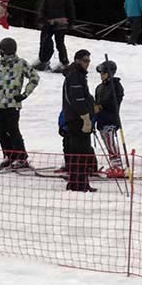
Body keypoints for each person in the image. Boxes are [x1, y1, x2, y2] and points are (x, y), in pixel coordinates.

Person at [0, 36, 40, 169]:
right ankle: (9, 155)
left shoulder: (20, 64)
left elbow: (34, 78)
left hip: (12, 104)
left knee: (13, 130)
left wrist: (24, 94)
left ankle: (21, 158)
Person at [61, 49, 96, 192]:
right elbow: (77, 99)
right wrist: (85, 117)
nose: (87, 63)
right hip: (78, 120)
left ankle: (76, 183)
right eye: (84, 60)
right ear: (77, 61)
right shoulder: (75, 76)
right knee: (81, 152)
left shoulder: (76, 74)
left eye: (88, 61)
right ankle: (79, 185)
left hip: (75, 119)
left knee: (78, 151)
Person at [33, 0, 75, 73]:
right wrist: (41, 19)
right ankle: (43, 60)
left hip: (61, 23)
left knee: (59, 42)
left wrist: (71, 22)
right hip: (49, 21)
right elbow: (43, 7)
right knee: (44, 40)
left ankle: (64, 62)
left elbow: (70, 8)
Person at [94, 59, 126, 177]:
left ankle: (118, 166)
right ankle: (114, 165)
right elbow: (97, 101)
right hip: (101, 119)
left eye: (103, 73)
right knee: (107, 141)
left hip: (110, 118)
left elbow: (115, 101)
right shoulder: (100, 87)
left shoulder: (116, 86)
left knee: (110, 140)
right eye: (101, 73)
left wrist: (101, 106)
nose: (101, 75)